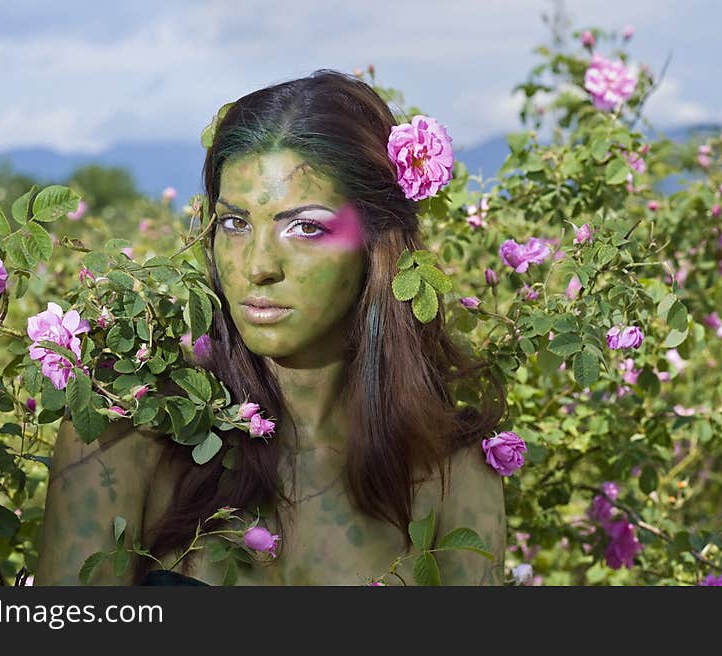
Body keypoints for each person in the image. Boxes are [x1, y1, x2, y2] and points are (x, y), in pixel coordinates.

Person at [34, 69, 508, 586]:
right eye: (234, 223)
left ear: (375, 244)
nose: (258, 265)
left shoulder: (450, 470)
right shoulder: (127, 434)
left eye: (305, 226)